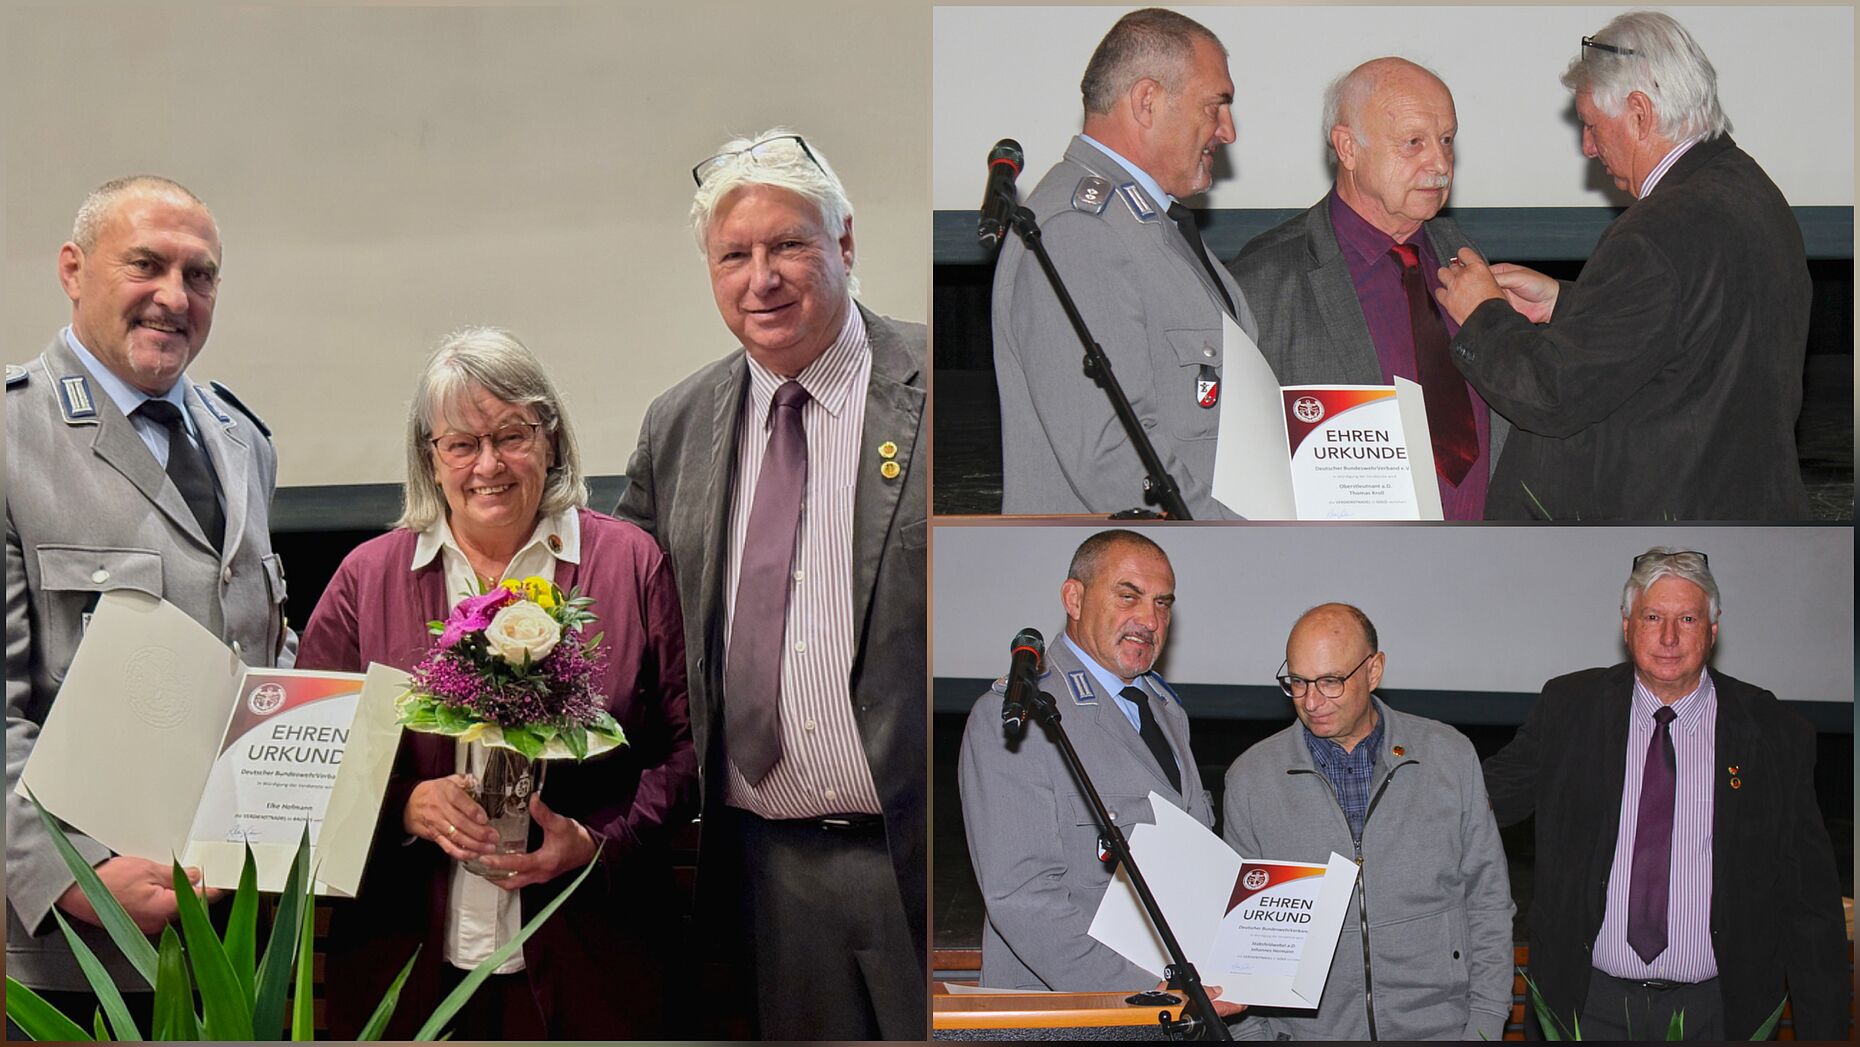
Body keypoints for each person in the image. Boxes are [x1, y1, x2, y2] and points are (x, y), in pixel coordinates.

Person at [294, 327, 697, 1039]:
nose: (489, 464)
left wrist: (596, 839)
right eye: (461, 443)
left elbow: (684, 749)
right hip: (405, 965)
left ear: (551, 440)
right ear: (432, 458)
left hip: (595, 960)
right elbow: (306, 751)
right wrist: (403, 805)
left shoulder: (630, 564)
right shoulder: (367, 579)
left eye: (512, 434)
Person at [613, 128, 925, 1040]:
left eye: (789, 244)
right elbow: (634, 632)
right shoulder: (676, 425)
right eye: (734, 256)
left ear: (847, 244)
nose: (763, 278)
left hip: (918, 853)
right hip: (763, 876)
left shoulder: (934, 390)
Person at [5, 176, 291, 1027]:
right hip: (65, 961)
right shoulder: (14, 439)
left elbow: (256, 659)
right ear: (73, 269)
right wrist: (74, 873)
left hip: (229, 944)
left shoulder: (244, 441)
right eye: (146, 265)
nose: (175, 296)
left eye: (200, 275)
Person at [1436, 12, 1812, 520]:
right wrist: (1570, 303)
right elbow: (1692, 329)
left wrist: (1482, 315)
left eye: (1591, 126)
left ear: (1639, 112)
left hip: (1675, 528)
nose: (1588, 148)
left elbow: (1553, 394)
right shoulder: (1750, 189)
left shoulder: (1655, 232)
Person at [1482, 548, 1849, 1039]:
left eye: (1688, 618)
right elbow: (1483, 801)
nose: (1669, 637)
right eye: (1653, 616)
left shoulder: (1772, 731)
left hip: (1717, 1012)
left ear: (1713, 630)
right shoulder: (1570, 709)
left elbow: (1811, 900)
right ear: (1627, 625)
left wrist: (1824, 1033)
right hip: (1586, 1005)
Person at [992, 7, 1257, 518]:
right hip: (1151, 552)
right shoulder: (1081, 231)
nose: (1227, 131)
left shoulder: (1143, 224)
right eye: (1215, 106)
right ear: (1147, 101)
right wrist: (1246, 535)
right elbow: (1114, 456)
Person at [1228, 58, 1505, 520]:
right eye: (1413, 143)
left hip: (1491, 558)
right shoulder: (1266, 282)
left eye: (1446, 140)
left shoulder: (1467, 259)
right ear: (1348, 148)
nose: (1439, 163)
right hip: (1343, 569)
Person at [1222, 603, 1513, 1039]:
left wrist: (1485, 1025)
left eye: (1331, 681)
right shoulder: (1251, 779)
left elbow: (1488, 902)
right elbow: (1239, 939)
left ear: (1374, 670)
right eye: (1297, 682)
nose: (1311, 701)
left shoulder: (1448, 756)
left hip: (1439, 1030)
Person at [958, 529, 1215, 990]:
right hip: (1079, 1010)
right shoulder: (1017, 716)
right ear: (1074, 599)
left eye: (1162, 603)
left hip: (1175, 1003)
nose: (1149, 620)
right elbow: (1023, 899)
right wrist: (1149, 993)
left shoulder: (1166, 710)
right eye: (1128, 596)